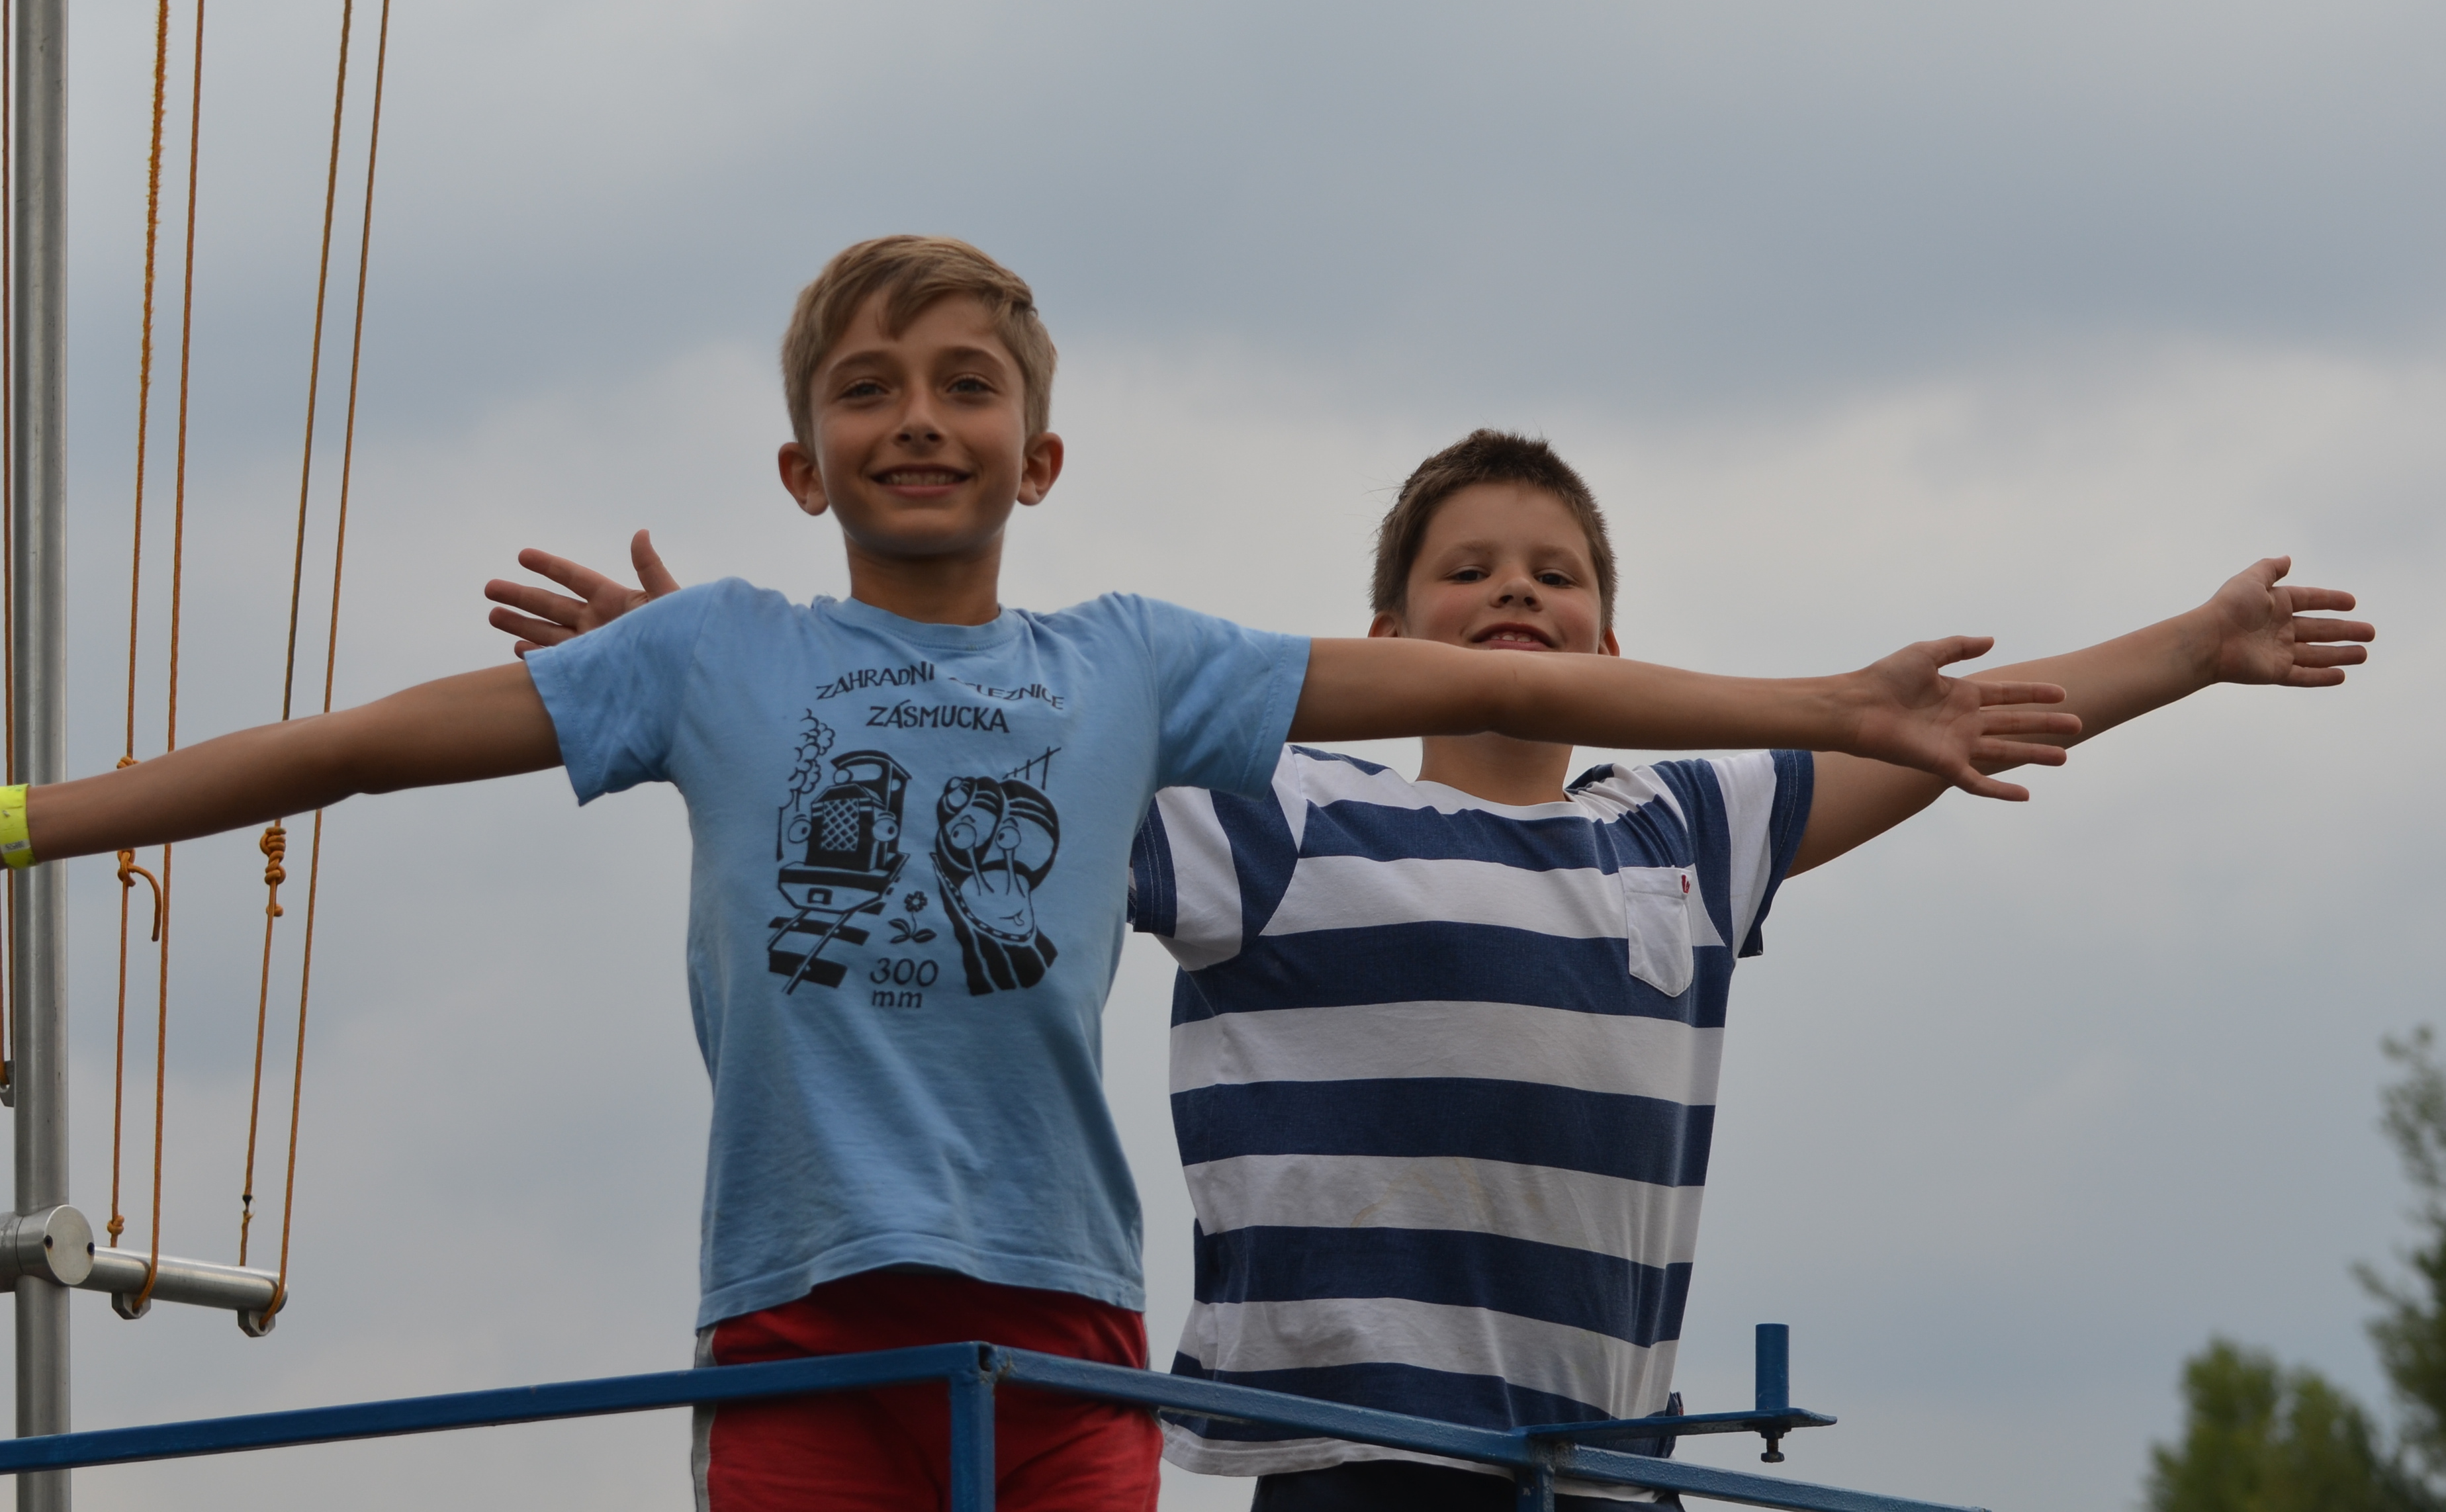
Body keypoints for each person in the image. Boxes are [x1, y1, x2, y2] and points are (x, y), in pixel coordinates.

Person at [28, 234, 2065, 1512]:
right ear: (802, 465)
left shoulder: (1131, 669)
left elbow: (1476, 677)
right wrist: (31, 821)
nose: (918, 420)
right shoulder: (710, 654)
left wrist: (1830, 702)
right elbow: (347, 750)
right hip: (798, 1317)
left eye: (966, 387)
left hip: (1066, 1322)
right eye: (867, 391)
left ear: (1040, 457)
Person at [1122, 430, 2371, 1510]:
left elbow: (1954, 727)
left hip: (1600, 1462)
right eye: (1469, 570)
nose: (1516, 589)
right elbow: (1054, 765)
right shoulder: (1281, 810)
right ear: (1387, 643)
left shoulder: (1676, 828)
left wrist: (2196, 646)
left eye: (1556, 575)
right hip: (1361, 1454)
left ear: (1614, 650)